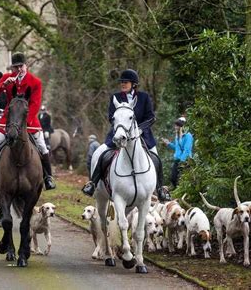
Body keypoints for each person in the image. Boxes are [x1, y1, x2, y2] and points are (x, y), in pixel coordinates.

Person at [81, 69, 167, 201]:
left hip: (142, 135)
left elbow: (151, 118)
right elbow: (111, 117)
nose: (122, 84)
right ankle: (92, 184)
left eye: (125, 82)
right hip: (119, 133)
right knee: (102, 154)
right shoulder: (115, 97)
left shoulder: (144, 97)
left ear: (134, 84)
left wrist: (139, 129)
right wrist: (120, 126)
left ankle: (161, 189)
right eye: (121, 82)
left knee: (156, 159)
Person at [0, 52, 56, 191]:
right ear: (12, 68)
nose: (19, 69)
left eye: (21, 66)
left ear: (26, 66)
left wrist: (25, 122)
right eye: (16, 67)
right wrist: (3, 85)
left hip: (29, 120)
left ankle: (48, 177)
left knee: (42, 146)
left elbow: (35, 104)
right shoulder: (7, 78)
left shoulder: (35, 82)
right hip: (9, 119)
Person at [161, 117, 194, 189]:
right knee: (173, 179)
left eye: (177, 125)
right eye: (175, 125)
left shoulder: (188, 136)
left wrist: (182, 161)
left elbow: (187, 150)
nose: (175, 127)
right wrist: (168, 143)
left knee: (182, 180)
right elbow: (177, 148)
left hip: (185, 161)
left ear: (182, 126)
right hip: (177, 160)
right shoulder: (178, 136)